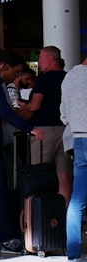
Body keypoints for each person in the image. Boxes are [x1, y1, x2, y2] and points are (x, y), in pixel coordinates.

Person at [0, 48, 43, 253]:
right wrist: (29, 128)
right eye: (15, 71)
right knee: (1, 189)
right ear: (4, 66)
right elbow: (2, 110)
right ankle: (6, 237)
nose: (16, 77)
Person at [24, 45, 73, 204]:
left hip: (44, 132)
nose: (38, 62)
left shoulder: (43, 80)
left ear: (51, 59)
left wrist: (22, 107)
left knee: (38, 175)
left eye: (41, 58)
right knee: (64, 177)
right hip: (66, 130)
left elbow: (35, 106)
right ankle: (62, 216)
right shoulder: (69, 77)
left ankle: (40, 216)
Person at [60, 53, 87, 261]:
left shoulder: (69, 77)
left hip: (78, 139)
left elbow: (64, 115)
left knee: (77, 200)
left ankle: (74, 252)